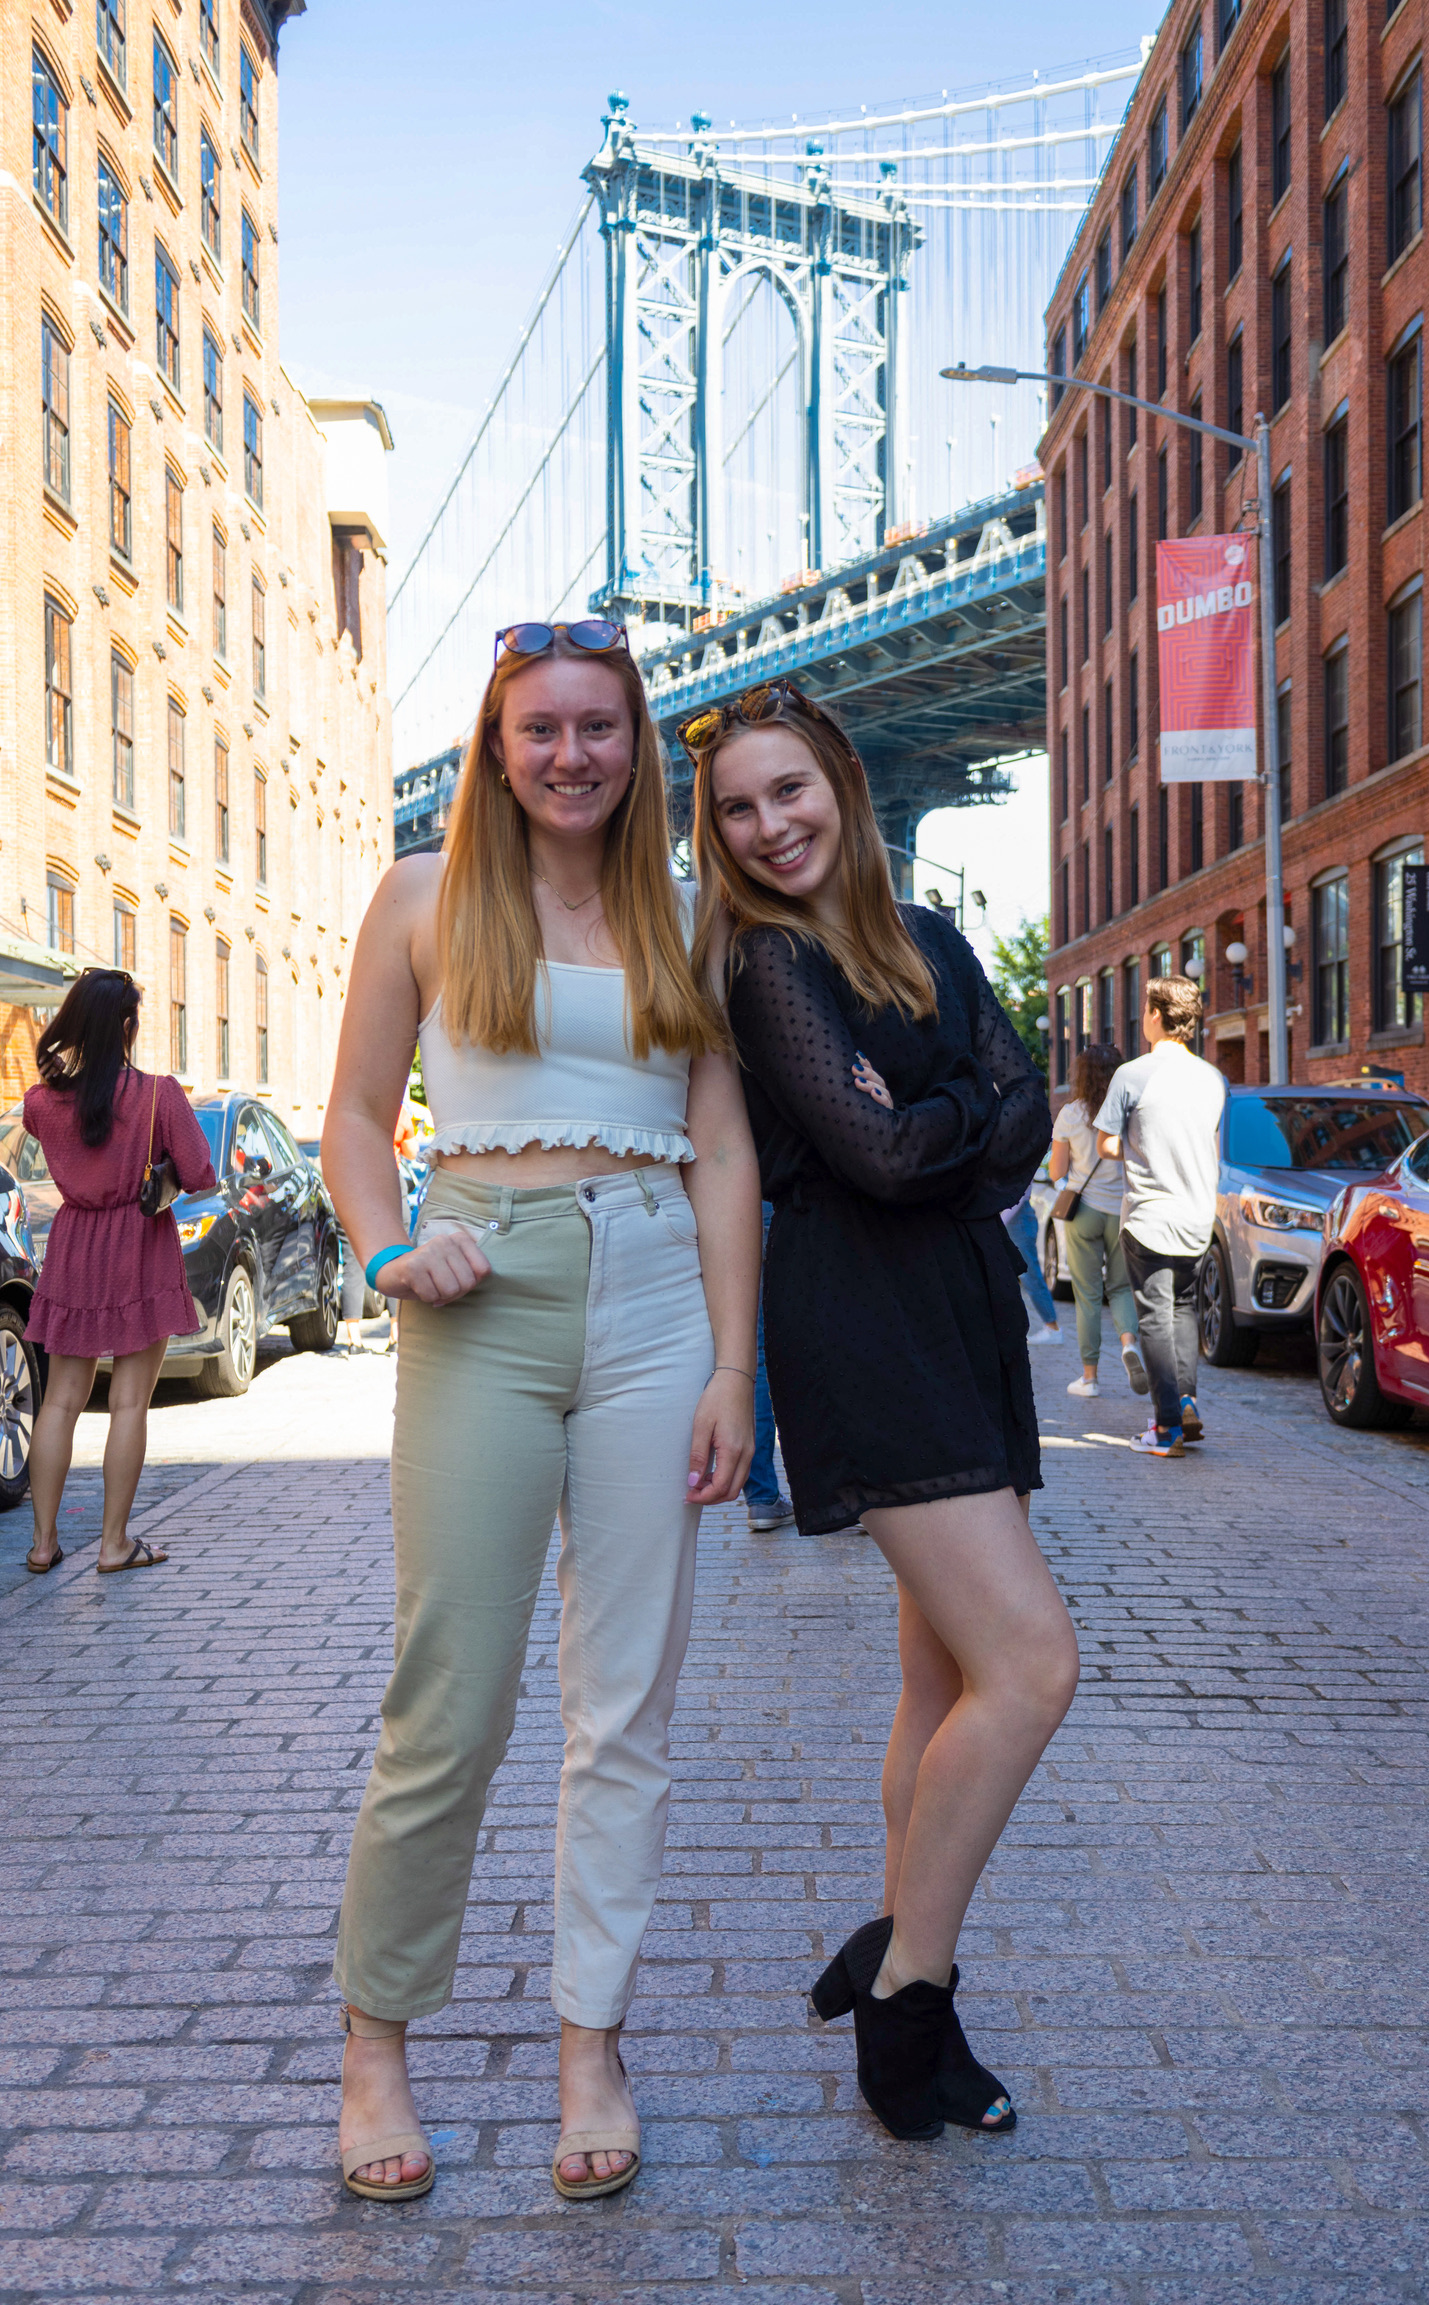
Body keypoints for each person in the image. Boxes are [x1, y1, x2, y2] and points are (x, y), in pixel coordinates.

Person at [323, 618, 760, 2207]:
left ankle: (594, 2043)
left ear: (637, 747)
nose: (571, 755)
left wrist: (731, 1364)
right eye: (540, 730)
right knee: (452, 1697)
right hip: (477, 1292)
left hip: (653, 1294)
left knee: (624, 1704)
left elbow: (720, 1148)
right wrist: (387, 1247)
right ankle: (379, 2040)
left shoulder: (690, 916)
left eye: (600, 727)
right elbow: (357, 1122)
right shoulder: (422, 896)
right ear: (495, 747)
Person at [685, 676, 1079, 2143]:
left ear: (843, 786)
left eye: (788, 791)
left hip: (962, 1308)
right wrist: (954, 1128)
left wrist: (947, 1129)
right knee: (1031, 1664)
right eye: (736, 809)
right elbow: (879, 1156)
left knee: (941, 1680)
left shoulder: (928, 939)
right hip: (863, 1315)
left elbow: (1021, 1100)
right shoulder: (765, 965)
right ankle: (908, 1993)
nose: (768, 824)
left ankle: (897, 1952)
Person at [20, 969, 216, 1575]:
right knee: (130, 1404)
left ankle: (43, 1544)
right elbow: (202, 1172)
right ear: (129, 1027)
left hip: (74, 1246)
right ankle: (113, 1545)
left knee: (59, 1402)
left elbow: (50, 1127)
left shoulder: (40, 1102)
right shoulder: (159, 1095)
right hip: (140, 1248)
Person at [1095, 977, 1227, 1459]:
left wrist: (1136, 1143)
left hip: (1151, 1213)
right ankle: (1185, 1400)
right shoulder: (1213, 1078)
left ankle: (1166, 1426)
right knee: (1184, 1308)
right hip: (1197, 1213)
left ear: (1154, 1015)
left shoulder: (1132, 1074)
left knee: (1153, 1315)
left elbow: (1107, 1143)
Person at [1049, 1043, 1146, 1400]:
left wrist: (1065, 1179)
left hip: (1083, 1211)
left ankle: (1089, 1378)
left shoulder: (1070, 1114)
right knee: (1121, 1288)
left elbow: (1057, 1170)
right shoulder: (1130, 1113)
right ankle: (1129, 1345)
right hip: (1122, 1210)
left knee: (1087, 1296)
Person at [745, 1202, 796, 1531]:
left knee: (757, 1356)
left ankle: (762, 1499)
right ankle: (846, 1496)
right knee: (823, 1341)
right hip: (795, 1201)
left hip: (743, 1204)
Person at [1000, 1189, 1062, 1347]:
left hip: (1015, 1217)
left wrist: (999, 1222)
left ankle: (1052, 1326)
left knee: (1029, 1274)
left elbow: (1018, 1193)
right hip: (1008, 1215)